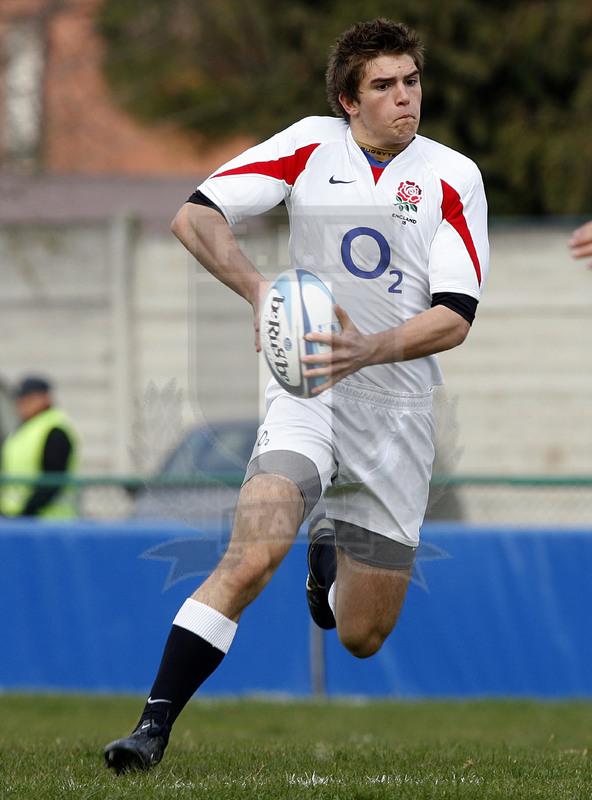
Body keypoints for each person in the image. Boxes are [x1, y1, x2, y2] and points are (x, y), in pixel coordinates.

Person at [104, 18, 489, 773]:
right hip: (306, 391)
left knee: (361, 635)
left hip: (397, 413)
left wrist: (367, 349)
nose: (404, 98)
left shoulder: (454, 175)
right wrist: (258, 290)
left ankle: (330, 557)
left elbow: (455, 316)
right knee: (250, 555)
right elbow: (195, 216)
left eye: (411, 81)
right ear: (350, 99)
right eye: (384, 85)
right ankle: (150, 729)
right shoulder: (311, 144)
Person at [0, 376, 79, 518]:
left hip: (49, 521)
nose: (22, 405)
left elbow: (52, 480)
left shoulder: (55, 429)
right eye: (20, 400)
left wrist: (25, 514)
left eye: (28, 399)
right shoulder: (23, 430)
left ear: (44, 398)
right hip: (15, 518)